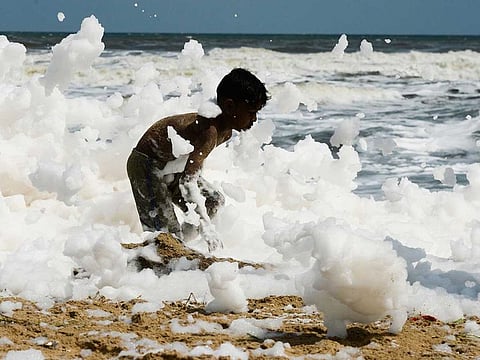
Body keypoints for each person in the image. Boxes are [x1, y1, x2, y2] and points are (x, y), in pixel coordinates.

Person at [127, 68, 268, 248]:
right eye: (251, 111)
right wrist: (207, 228)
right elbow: (188, 182)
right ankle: (165, 250)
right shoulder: (210, 131)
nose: (255, 119)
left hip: (171, 167)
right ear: (230, 106)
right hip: (145, 165)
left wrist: (201, 220)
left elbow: (194, 166)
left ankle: (181, 246)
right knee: (164, 237)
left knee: (213, 200)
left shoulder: (226, 133)